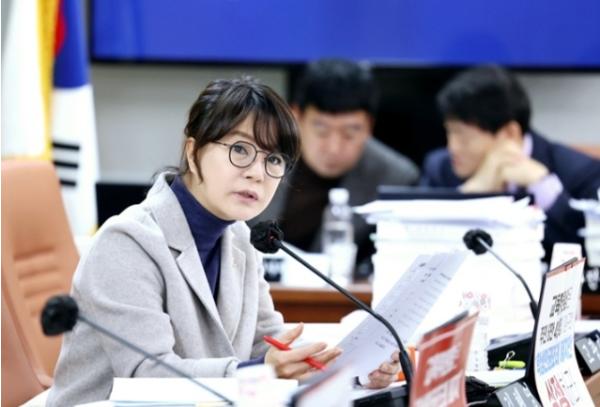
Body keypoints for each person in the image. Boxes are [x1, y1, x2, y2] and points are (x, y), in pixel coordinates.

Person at [47, 78, 401, 406]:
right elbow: (147, 374)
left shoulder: (240, 237)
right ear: (193, 152)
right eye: (240, 150)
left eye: (273, 159)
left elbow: (266, 340)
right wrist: (262, 370)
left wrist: (351, 365)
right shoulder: (127, 242)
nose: (257, 173)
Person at [254, 59, 419, 272]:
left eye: (350, 133)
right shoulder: (258, 157)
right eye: (321, 131)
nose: (334, 148)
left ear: (369, 126)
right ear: (296, 117)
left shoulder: (396, 178)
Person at [422, 65, 600, 261]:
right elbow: (419, 245)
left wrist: (544, 189)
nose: (452, 147)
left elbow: (588, 253)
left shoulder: (579, 171)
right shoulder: (440, 168)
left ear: (509, 133)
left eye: (464, 138)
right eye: (449, 132)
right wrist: (472, 193)